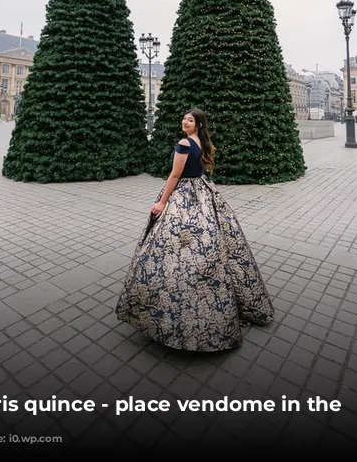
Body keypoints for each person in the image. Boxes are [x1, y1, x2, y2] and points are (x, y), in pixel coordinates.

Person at [115, 108, 274, 352]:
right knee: (214, 242)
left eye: (190, 120)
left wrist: (162, 202)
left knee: (169, 249)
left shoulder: (184, 144)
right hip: (202, 191)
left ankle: (170, 307)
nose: (185, 122)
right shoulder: (200, 141)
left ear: (198, 125)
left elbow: (175, 175)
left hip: (184, 196)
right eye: (184, 119)